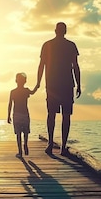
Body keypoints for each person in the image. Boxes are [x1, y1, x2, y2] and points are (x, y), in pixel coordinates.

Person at [34, 22, 81, 156]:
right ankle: (63, 146)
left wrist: (38, 82)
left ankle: (50, 144)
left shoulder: (47, 45)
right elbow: (76, 66)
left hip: (53, 84)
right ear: (64, 31)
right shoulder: (70, 45)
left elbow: (41, 66)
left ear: (55, 31)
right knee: (65, 116)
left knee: (52, 114)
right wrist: (78, 84)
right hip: (66, 84)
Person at [7, 72, 36, 158]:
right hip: (24, 114)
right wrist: (37, 85)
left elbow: (10, 104)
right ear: (25, 81)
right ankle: (25, 145)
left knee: (18, 134)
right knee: (25, 132)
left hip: (16, 114)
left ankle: (20, 151)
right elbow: (33, 92)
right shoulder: (26, 90)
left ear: (16, 81)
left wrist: (8, 116)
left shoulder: (13, 92)